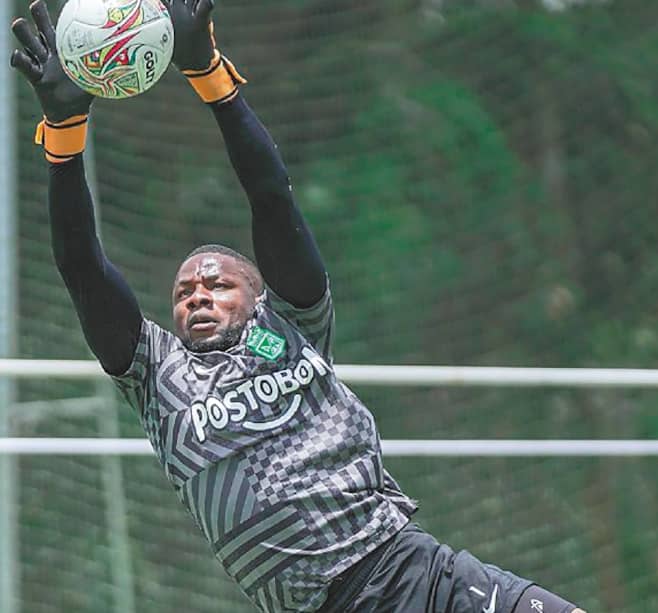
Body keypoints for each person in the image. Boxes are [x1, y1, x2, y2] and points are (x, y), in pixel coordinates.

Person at [11, 1, 588, 611]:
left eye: (219, 285)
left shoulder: (293, 324)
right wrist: (64, 139)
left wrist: (209, 75)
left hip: (422, 575)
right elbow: (82, 266)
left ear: (259, 295)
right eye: (184, 292)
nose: (198, 293)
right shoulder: (156, 378)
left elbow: (270, 196)